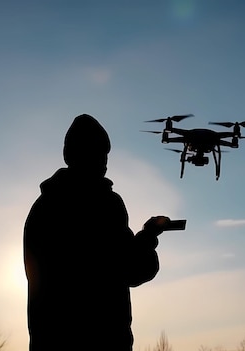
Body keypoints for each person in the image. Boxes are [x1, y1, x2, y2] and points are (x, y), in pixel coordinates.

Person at [23, 114, 169, 351]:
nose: (105, 162)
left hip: (50, 340)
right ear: (86, 154)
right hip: (103, 339)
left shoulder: (42, 207)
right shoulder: (103, 202)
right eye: (101, 153)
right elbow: (130, 268)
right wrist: (149, 235)